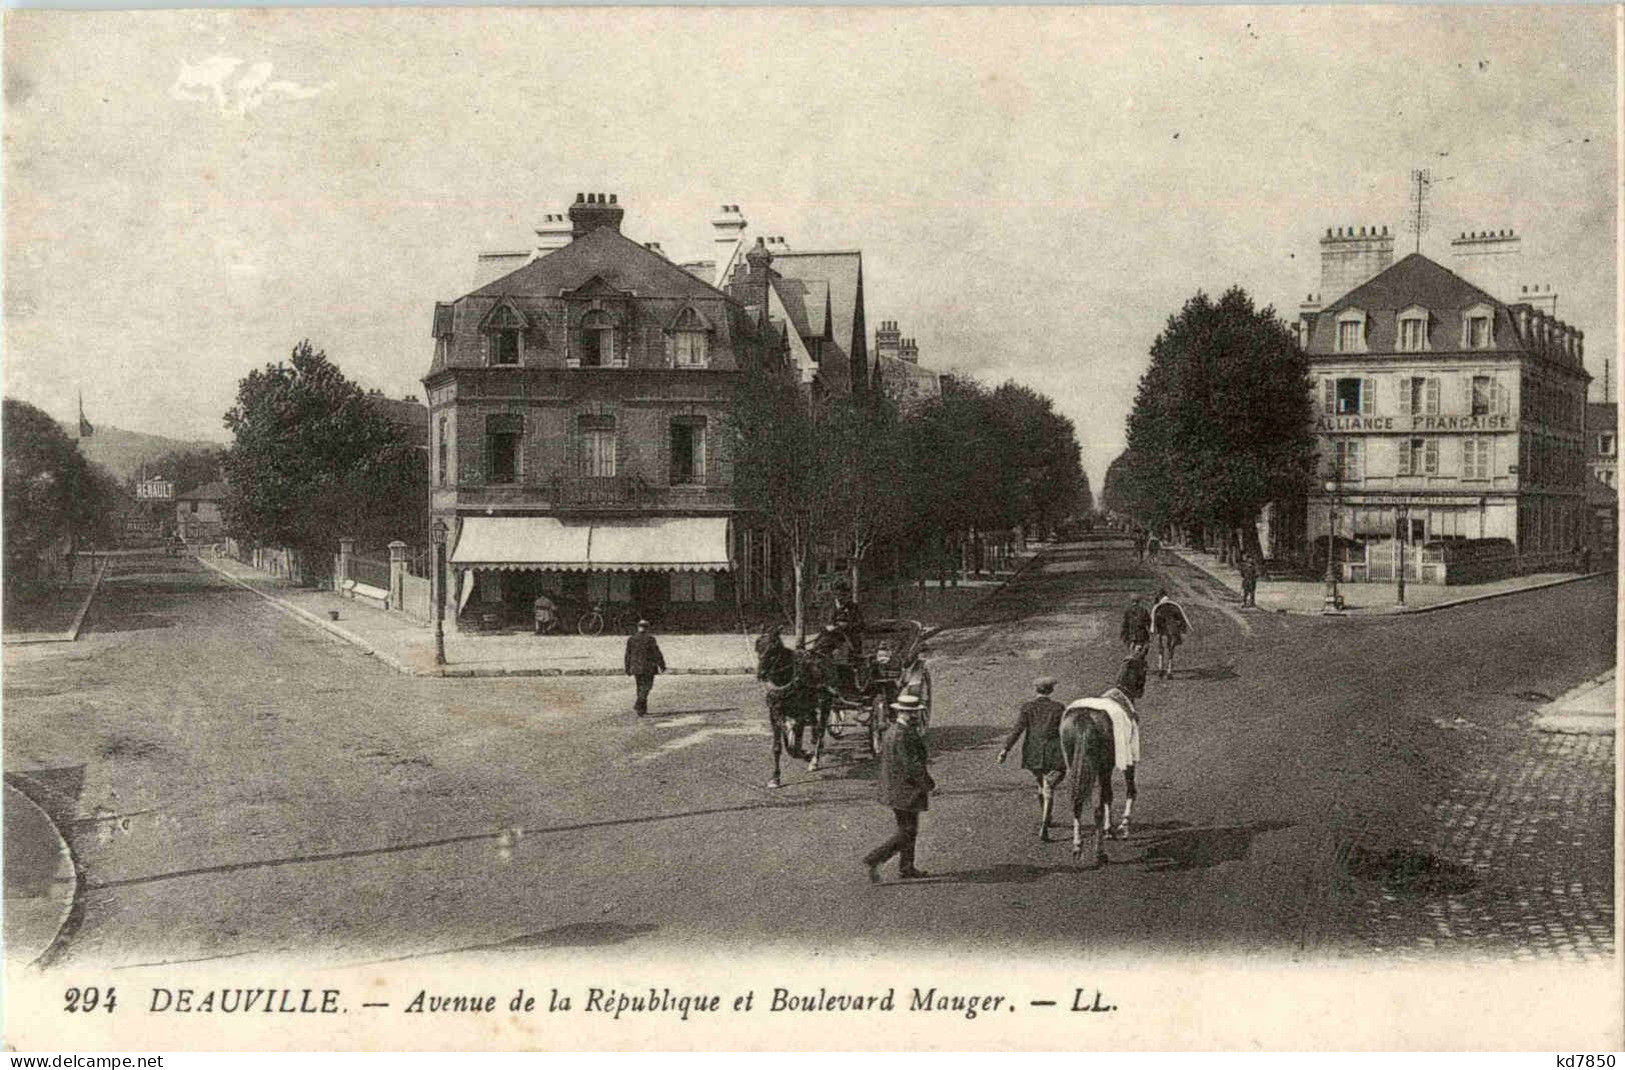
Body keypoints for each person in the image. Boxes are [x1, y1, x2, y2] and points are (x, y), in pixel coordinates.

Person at [863, 693, 934, 882]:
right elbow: (911, 765)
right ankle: (875, 858)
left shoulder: (892, 730)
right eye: (914, 713)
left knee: (909, 827)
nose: (917, 716)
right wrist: (928, 784)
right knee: (908, 831)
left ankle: (907, 867)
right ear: (908, 714)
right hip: (906, 789)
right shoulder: (904, 735)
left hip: (895, 788)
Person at [997, 677, 1068, 840]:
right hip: (1053, 753)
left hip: (1033, 754)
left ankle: (1047, 818)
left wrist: (1005, 750)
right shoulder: (1058, 708)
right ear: (1051, 691)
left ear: (1036, 690)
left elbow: (1017, 730)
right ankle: (1045, 823)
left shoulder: (1027, 707)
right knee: (1050, 785)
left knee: (1041, 784)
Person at [623, 619, 666, 716]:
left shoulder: (631, 639)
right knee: (647, 687)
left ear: (638, 627)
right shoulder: (650, 639)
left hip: (635, 667)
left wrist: (627, 668)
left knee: (639, 687)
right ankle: (639, 704)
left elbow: (627, 655)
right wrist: (662, 665)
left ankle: (642, 710)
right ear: (647, 628)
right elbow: (657, 653)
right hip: (648, 667)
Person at [1149, 589, 1190, 679]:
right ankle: (1169, 670)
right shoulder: (1174, 606)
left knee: (1161, 648)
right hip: (1173, 631)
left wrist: (1153, 630)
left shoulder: (1157, 607)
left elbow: (1154, 621)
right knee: (1171, 650)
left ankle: (1160, 668)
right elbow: (1181, 620)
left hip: (1161, 632)